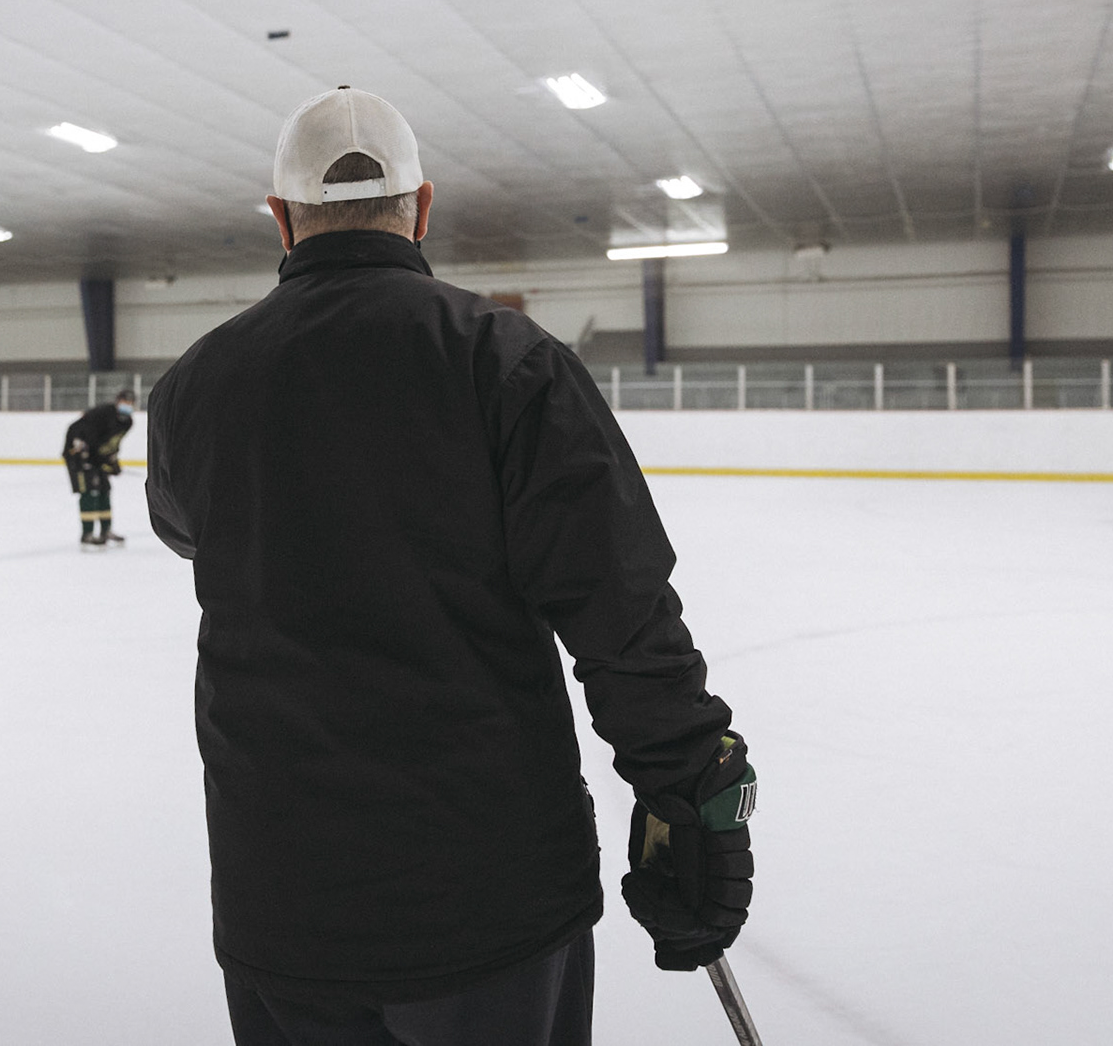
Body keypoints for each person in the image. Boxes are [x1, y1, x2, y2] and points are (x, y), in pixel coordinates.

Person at [147, 87, 755, 1046]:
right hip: (492, 902)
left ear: (281, 217)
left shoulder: (193, 386)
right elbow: (618, 606)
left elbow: (181, 527)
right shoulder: (507, 361)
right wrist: (690, 789)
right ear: (422, 206)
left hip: (283, 903)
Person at [63, 387, 135, 549]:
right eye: (124, 401)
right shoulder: (102, 413)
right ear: (117, 402)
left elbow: (112, 443)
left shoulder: (127, 422)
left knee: (104, 488)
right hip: (79, 454)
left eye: (130, 403)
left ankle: (106, 530)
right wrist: (87, 454)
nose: (127, 405)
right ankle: (87, 534)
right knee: (89, 491)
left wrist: (112, 460)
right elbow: (83, 432)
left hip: (96, 455)